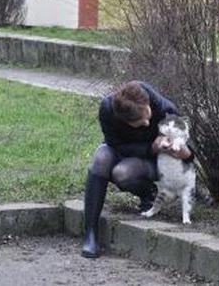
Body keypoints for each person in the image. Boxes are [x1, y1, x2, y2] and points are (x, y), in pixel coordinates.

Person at [81, 81, 193, 258]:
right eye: (140, 122)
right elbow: (115, 145)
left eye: (148, 115)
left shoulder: (159, 104)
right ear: (124, 121)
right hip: (125, 150)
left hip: (153, 162)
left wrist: (169, 144)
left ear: (148, 103)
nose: (147, 123)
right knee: (101, 159)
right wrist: (150, 147)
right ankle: (90, 233)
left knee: (122, 173)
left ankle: (149, 193)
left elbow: (187, 147)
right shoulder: (108, 110)